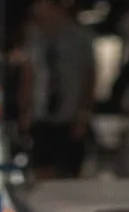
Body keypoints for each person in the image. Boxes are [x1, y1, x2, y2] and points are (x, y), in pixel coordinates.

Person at [29, 0, 98, 179]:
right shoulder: (35, 36)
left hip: (69, 116)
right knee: (40, 170)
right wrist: (25, 110)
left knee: (67, 173)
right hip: (41, 115)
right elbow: (29, 73)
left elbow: (89, 77)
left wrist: (84, 114)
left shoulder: (80, 37)